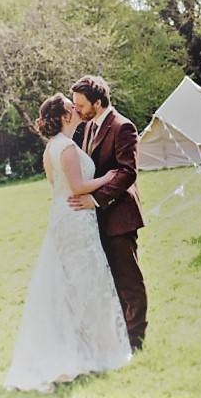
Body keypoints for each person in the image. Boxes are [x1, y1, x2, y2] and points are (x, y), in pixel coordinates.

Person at [4, 93, 131, 393]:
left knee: (69, 285)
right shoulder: (67, 148)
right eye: (71, 108)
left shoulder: (51, 149)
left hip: (62, 216)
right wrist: (107, 177)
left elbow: (57, 188)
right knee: (88, 282)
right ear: (63, 117)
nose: (76, 110)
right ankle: (95, 350)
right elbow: (77, 187)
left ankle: (77, 345)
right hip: (76, 219)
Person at [67, 76, 147, 351]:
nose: (76, 109)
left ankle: (136, 342)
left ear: (97, 103)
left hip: (120, 217)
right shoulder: (89, 127)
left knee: (129, 281)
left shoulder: (123, 127)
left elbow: (128, 172)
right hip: (98, 219)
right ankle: (119, 335)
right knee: (110, 280)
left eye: (80, 105)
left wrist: (96, 199)